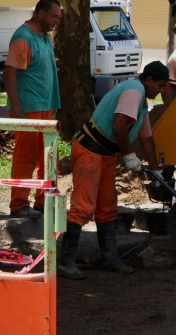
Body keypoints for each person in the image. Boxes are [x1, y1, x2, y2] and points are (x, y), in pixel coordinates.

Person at [58, 61, 168, 280]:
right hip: (90, 150)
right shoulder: (133, 92)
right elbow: (118, 126)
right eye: (160, 85)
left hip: (105, 153)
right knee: (83, 206)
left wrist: (157, 171)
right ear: (148, 80)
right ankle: (65, 262)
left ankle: (109, 258)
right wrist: (129, 155)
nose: (162, 90)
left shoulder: (142, 102)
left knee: (107, 206)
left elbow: (146, 138)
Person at [3, 0, 62, 219]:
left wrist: (53, 105)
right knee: (26, 157)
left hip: (44, 108)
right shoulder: (24, 37)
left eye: (58, 16)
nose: (57, 21)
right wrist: (16, 107)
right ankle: (18, 205)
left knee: (48, 158)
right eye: (53, 16)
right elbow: (10, 71)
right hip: (28, 108)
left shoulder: (44, 37)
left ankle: (42, 201)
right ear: (40, 13)